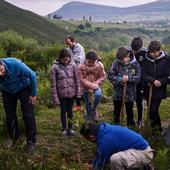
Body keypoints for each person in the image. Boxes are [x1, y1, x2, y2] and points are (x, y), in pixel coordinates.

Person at [80, 121, 153, 170]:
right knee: (109, 160)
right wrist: (94, 163)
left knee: (115, 159)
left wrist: (93, 166)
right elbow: (100, 154)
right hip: (138, 150)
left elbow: (100, 164)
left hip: (143, 154)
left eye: (88, 139)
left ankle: (145, 165)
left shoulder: (104, 141)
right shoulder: (104, 130)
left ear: (91, 136)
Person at [0, 58, 37, 152]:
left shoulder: (15, 64)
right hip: (7, 91)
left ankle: (31, 141)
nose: (0, 74)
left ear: (2, 64)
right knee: (10, 116)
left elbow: (32, 74)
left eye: (1, 70)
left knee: (28, 114)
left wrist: (33, 94)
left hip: (23, 88)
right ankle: (15, 141)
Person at [50, 48, 81, 136]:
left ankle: (70, 128)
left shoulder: (73, 65)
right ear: (60, 58)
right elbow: (53, 85)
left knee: (70, 110)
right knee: (63, 111)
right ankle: (64, 128)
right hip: (62, 94)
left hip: (72, 93)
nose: (66, 61)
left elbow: (77, 80)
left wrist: (78, 94)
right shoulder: (54, 68)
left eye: (67, 59)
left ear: (69, 58)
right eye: (64, 59)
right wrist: (55, 99)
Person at [142, 40, 170, 134]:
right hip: (148, 89)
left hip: (159, 90)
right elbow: (143, 74)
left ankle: (158, 130)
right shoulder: (146, 59)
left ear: (159, 50)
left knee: (154, 110)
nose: (152, 54)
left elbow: (168, 76)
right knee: (150, 112)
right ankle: (155, 130)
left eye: (154, 52)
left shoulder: (166, 59)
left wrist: (161, 82)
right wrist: (152, 80)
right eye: (151, 52)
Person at [108, 47, 141, 126]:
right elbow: (110, 75)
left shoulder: (135, 64)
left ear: (129, 54)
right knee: (116, 111)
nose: (123, 60)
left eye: (125, 58)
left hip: (130, 93)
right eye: (122, 59)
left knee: (129, 112)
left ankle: (131, 126)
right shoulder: (116, 63)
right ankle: (115, 126)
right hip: (118, 93)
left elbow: (138, 78)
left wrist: (129, 78)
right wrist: (120, 79)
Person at [78, 51, 106, 122]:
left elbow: (103, 76)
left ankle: (93, 110)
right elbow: (81, 79)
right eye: (89, 61)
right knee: (87, 102)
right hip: (85, 86)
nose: (90, 64)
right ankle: (88, 115)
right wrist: (91, 86)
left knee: (98, 95)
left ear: (96, 60)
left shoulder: (99, 66)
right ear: (86, 59)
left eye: (92, 62)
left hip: (96, 85)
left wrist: (95, 84)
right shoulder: (81, 66)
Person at [129, 37, 147, 128]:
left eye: (137, 50)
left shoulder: (144, 54)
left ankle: (140, 120)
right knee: (130, 101)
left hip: (141, 83)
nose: (135, 52)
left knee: (139, 102)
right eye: (134, 50)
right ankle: (130, 121)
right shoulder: (129, 53)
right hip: (130, 82)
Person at [65, 35, 85, 111]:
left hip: (81, 70)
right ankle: (78, 105)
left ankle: (85, 105)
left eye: (69, 43)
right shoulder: (68, 49)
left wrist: (69, 62)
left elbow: (78, 59)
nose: (68, 45)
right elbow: (67, 59)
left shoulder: (80, 48)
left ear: (73, 41)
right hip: (72, 70)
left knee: (81, 87)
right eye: (67, 43)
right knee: (75, 87)